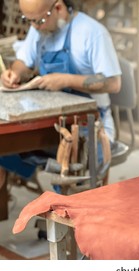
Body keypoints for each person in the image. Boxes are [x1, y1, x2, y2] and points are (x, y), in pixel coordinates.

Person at [0, 0, 121, 192]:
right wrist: (14, 72)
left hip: (90, 127)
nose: (34, 26)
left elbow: (114, 83)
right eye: (28, 20)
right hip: (49, 123)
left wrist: (66, 80)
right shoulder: (38, 28)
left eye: (38, 21)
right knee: (5, 147)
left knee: (74, 170)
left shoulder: (92, 32)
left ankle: (65, 204)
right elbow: (23, 61)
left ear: (58, 8)